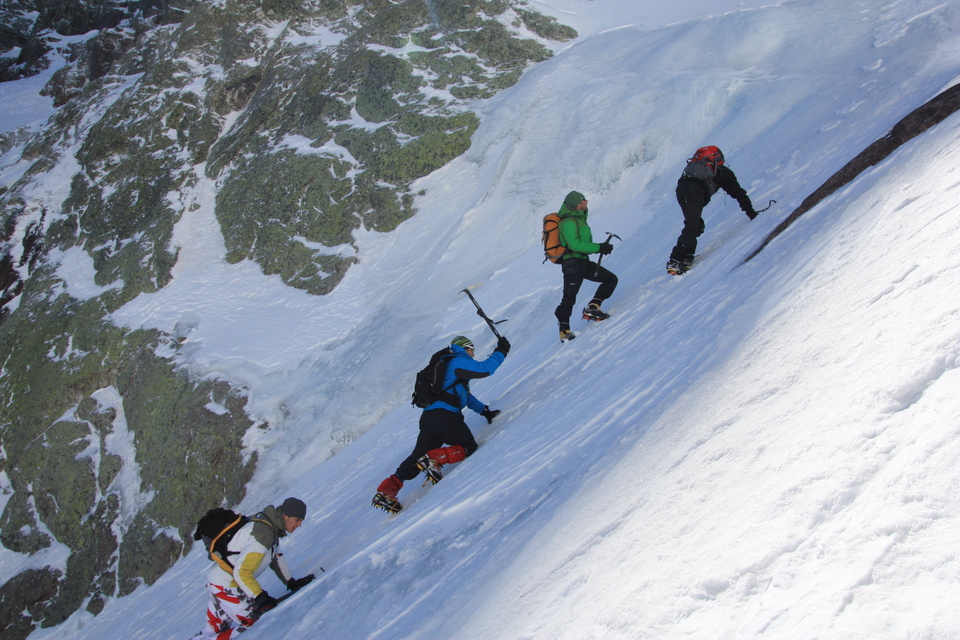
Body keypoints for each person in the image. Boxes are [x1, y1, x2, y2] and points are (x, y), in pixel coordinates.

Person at [373, 334, 510, 512]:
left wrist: (485, 411)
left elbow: (465, 397)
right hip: (446, 416)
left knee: (417, 455)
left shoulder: (447, 369)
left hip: (429, 418)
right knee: (468, 447)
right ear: (465, 347)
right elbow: (485, 369)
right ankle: (434, 458)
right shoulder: (458, 361)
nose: (473, 355)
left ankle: (386, 491)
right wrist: (502, 350)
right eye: (472, 350)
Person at [191, 498, 314, 639]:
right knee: (256, 626)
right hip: (227, 586)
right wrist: (260, 597)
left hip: (219, 582)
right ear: (285, 516)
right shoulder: (264, 534)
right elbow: (242, 572)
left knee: (213, 630)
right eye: (297, 520)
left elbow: (276, 558)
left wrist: (290, 582)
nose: (299, 525)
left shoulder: (270, 527)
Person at [667, 146, 757, 275]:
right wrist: (752, 213)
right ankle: (676, 260)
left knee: (695, 224)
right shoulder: (723, 174)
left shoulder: (695, 170)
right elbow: (739, 194)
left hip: (682, 189)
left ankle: (686, 257)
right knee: (692, 226)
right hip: (694, 192)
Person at [553, 190, 617, 342]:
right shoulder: (567, 223)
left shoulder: (578, 220)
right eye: (583, 201)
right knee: (569, 297)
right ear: (576, 204)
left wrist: (599, 247)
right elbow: (574, 245)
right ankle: (564, 331)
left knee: (610, 279)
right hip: (572, 263)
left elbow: (582, 243)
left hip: (582, 261)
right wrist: (599, 248)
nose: (586, 202)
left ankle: (593, 307)